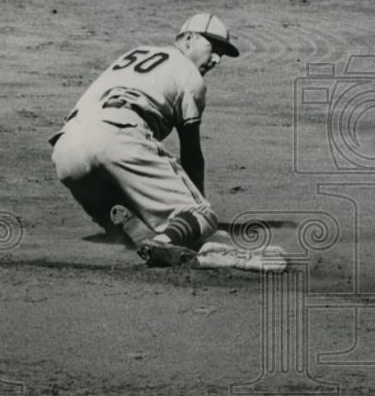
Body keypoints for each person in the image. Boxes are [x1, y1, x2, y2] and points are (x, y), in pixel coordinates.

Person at [50, 13, 239, 267]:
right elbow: (191, 152)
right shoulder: (190, 76)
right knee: (201, 214)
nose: (217, 59)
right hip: (118, 134)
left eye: (221, 54)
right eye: (213, 48)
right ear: (189, 39)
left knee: (129, 208)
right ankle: (165, 241)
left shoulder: (136, 54)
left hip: (67, 147)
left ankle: (130, 224)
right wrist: (195, 208)